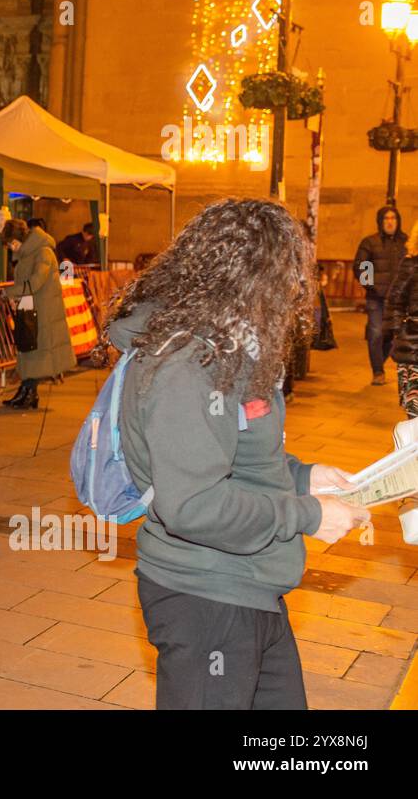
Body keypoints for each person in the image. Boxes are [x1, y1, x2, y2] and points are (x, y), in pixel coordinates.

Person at [106, 197, 370, 709]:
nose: (294, 291)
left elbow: (231, 456)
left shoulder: (233, 347)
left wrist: (304, 477)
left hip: (250, 585)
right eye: (287, 275)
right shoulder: (187, 362)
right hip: (206, 598)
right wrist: (307, 515)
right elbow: (193, 504)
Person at [0, 219, 74, 409]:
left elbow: (36, 282)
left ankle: (29, 392)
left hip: (43, 311)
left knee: (35, 352)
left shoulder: (43, 252)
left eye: (11, 243)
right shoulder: (28, 254)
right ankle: (26, 391)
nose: (10, 247)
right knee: (29, 350)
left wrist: (9, 292)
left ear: (20, 239)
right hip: (31, 308)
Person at [353, 205, 408, 385]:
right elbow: (362, 265)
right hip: (376, 298)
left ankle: (379, 362)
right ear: (380, 221)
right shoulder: (370, 242)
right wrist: (371, 286)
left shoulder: (405, 243)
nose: (390, 222)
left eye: (393, 218)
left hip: (399, 300)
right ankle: (378, 371)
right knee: (376, 333)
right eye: (386, 218)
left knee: (393, 336)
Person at [384, 230, 418, 416]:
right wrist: (369, 284)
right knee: (415, 408)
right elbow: (395, 299)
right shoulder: (411, 264)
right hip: (414, 343)